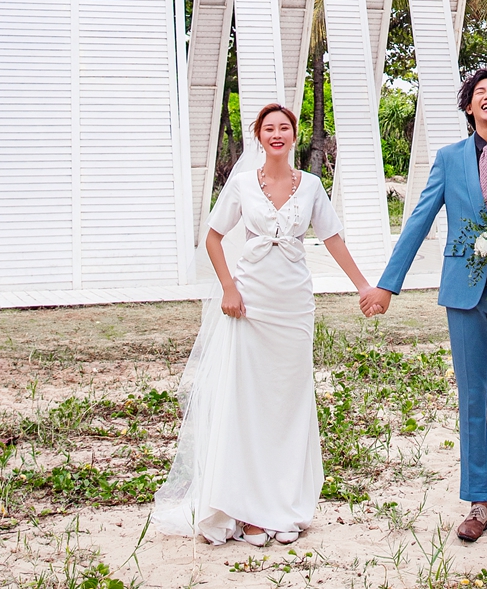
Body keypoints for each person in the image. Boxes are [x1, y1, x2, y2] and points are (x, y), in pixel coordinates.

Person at [153, 102, 372, 545]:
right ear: (259, 136)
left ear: (294, 135)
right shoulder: (242, 185)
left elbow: (332, 238)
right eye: (269, 128)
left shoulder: (311, 186)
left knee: (287, 404)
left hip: (294, 306)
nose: (276, 134)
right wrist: (228, 288)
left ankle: (283, 506)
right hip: (251, 303)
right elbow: (213, 238)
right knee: (249, 402)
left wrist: (364, 286)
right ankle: (248, 511)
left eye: (284, 128)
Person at [360, 68, 487, 544]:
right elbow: (419, 219)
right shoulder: (449, 159)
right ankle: (477, 504)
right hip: (462, 293)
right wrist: (388, 285)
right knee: (472, 398)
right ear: (469, 107)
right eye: (479, 93)